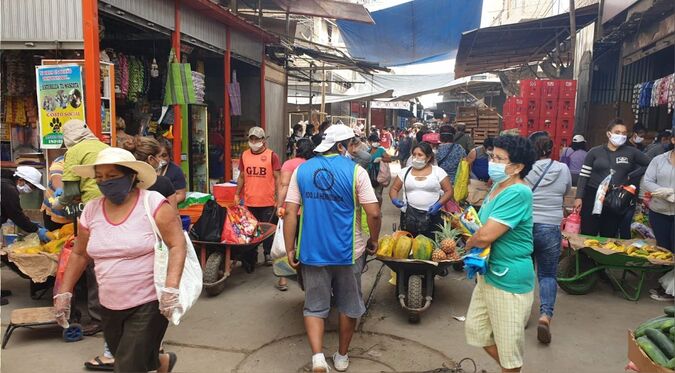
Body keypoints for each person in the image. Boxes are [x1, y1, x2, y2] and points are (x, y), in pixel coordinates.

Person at [53, 147, 185, 373]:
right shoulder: (92, 211)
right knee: (128, 354)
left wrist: (171, 288)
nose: (105, 182)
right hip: (110, 304)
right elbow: (80, 253)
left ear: (131, 176)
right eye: (99, 178)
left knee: (127, 366)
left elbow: (177, 244)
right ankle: (161, 362)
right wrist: (64, 292)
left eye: (112, 177)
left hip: (148, 301)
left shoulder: (153, 204)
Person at [282, 125, 381, 373]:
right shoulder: (356, 172)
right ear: (340, 146)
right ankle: (341, 356)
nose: (354, 148)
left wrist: (290, 248)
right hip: (348, 252)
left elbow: (290, 212)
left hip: (312, 252)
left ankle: (317, 358)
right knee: (348, 305)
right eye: (351, 144)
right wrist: (374, 240)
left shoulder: (302, 170)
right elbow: (375, 212)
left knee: (314, 305)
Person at [464, 135, 537, 373]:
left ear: (517, 167)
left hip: (508, 279)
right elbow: (481, 225)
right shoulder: (497, 186)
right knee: (477, 330)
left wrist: (467, 244)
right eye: (491, 156)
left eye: (499, 158)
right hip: (489, 272)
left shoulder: (518, 192)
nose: (491, 161)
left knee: (509, 353)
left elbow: (486, 235)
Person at [60, 119, 109, 336]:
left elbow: (70, 192)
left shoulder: (74, 151)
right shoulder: (104, 146)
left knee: (91, 261)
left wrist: (58, 203)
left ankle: (98, 317)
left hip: (93, 209)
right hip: (116, 207)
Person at [524, 132, 572, 344]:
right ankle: (545, 316)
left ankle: (522, 316)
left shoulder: (524, 169)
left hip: (525, 225)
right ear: (551, 149)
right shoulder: (562, 169)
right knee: (547, 274)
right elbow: (565, 192)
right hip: (550, 226)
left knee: (525, 271)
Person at [574, 119, 651, 238]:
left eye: (624, 133)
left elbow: (650, 164)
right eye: (617, 132)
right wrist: (579, 197)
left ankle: (604, 256)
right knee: (588, 232)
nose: (621, 135)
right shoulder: (594, 152)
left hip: (616, 198)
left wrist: (632, 175)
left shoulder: (631, 152)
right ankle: (586, 256)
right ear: (608, 133)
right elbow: (584, 175)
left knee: (609, 234)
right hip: (593, 195)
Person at [1, 167, 51, 306]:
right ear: (21, 180)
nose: (32, 191)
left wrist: (30, 223)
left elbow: (13, 212)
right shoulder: (8, 189)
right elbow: (16, 215)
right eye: (32, 187)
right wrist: (36, 229)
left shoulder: (5, 184)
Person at [234, 127, 281, 268]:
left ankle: (267, 254)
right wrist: (237, 194)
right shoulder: (244, 155)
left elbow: (278, 178)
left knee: (267, 230)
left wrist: (279, 197)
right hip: (249, 201)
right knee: (251, 230)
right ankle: (251, 255)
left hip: (267, 201)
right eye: (251, 139)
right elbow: (242, 176)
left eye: (257, 139)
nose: (254, 142)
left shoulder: (272, 156)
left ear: (263, 140)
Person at [274, 138, 315, 291]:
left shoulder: (289, 164)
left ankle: (283, 280)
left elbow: (284, 186)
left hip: (290, 211)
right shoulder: (313, 165)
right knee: (304, 246)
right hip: (308, 214)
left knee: (288, 244)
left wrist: (279, 205)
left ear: (297, 149)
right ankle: (306, 280)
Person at [389, 142, 453, 238]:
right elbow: (394, 188)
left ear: (428, 157)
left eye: (420, 155)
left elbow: (449, 191)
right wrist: (394, 200)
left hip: (432, 217)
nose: (416, 157)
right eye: (414, 154)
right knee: (407, 245)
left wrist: (438, 204)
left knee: (430, 245)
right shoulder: (405, 172)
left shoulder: (438, 172)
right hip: (409, 217)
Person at [642, 138, 675, 301]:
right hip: (659, 211)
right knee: (664, 250)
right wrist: (665, 192)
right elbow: (647, 180)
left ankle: (671, 290)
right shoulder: (659, 160)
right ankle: (664, 286)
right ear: (673, 139)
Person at [124, 137, 178, 209]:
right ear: (151, 159)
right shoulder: (163, 183)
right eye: (158, 156)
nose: (160, 160)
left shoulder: (122, 182)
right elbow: (174, 215)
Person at [41, 155, 70, 230]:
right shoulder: (60, 162)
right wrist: (60, 191)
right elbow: (57, 176)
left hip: (73, 214)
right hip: (53, 211)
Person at [466, 137, 494, 207]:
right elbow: (467, 166)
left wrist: (491, 178)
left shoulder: (495, 153)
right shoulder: (475, 152)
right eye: (489, 149)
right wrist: (471, 178)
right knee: (475, 199)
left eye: (492, 149)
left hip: (489, 182)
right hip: (476, 180)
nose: (491, 151)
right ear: (484, 147)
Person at [366, 133, 391, 204]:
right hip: (369, 175)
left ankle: (378, 210)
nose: (376, 143)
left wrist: (381, 159)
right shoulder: (367, 152)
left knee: (378, 195)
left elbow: (389, 159)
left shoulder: (381, 150)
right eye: (374, 141)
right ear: (370, 142)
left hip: (379, 175)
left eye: (377, 141)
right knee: (370, 195)